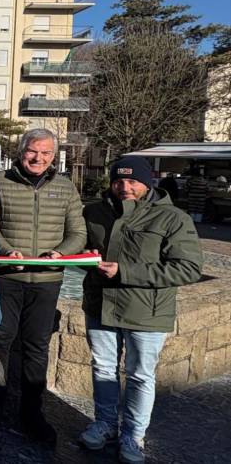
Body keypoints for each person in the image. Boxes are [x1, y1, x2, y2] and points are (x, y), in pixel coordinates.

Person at [79, 156, 202, 463]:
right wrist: (84, 255)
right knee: (103, 369)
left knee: (140, 376)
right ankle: (105, 424)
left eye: (133, 181)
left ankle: (134, 435)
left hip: (147, 312)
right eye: (119, 181)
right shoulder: (94, 211)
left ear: (148, 183)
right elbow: (79, 245)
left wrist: (125, 271)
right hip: (101, 304)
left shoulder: (173, 218)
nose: (125, 187)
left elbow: (188, 268)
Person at [0, 128, 86, 445]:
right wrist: (5, 249)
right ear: (21, 150)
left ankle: (32, 411)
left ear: (53, 157)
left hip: (47, 280)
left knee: (37, 347)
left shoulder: (66, 188)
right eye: (32, 151)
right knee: (0, 340)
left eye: (45, 153)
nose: (37, 158)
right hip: (8, 278)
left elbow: (77, 232)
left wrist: (61, 253)